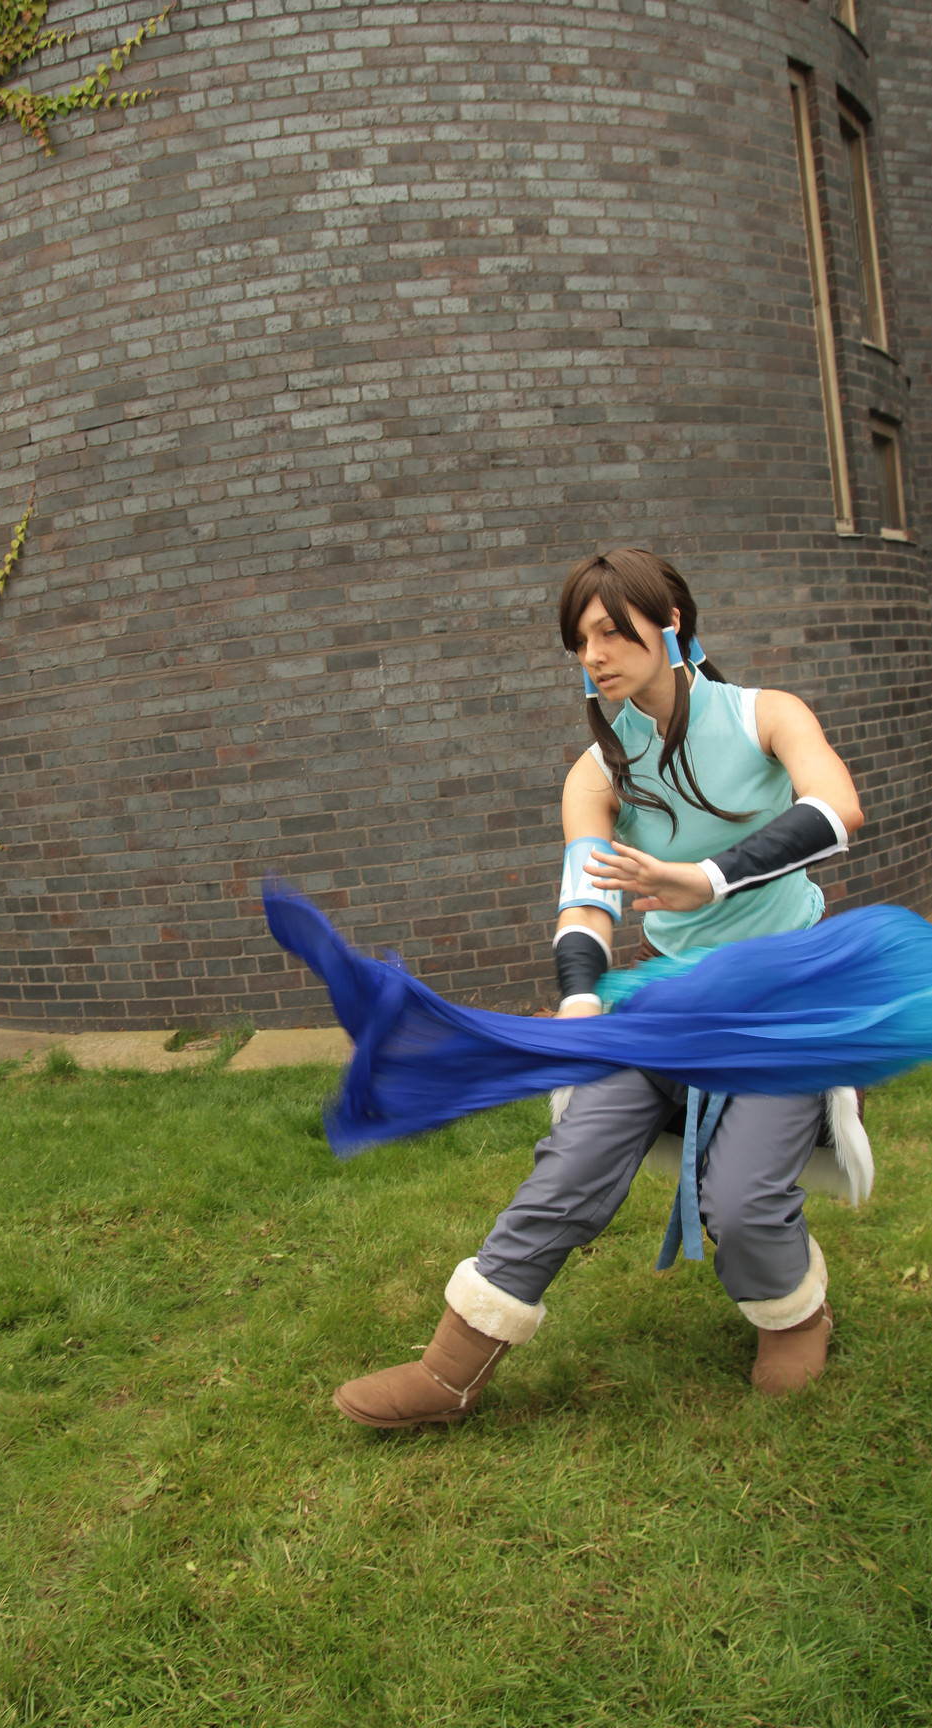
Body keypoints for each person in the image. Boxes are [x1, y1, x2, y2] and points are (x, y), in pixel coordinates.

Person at [333, 548, 865, 1428]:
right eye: (581, 640)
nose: (595, 654)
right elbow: (584, 906)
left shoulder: (767, 715)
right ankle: (452, 1368)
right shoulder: (596, 773)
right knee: (573, 1158)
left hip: (786, 1002)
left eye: (613, 631)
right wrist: (581, 1004)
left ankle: (794, 1315)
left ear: (672, 624)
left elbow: (836, 810)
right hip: (666, 1006)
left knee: (741, 1199)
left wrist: (706, 878)